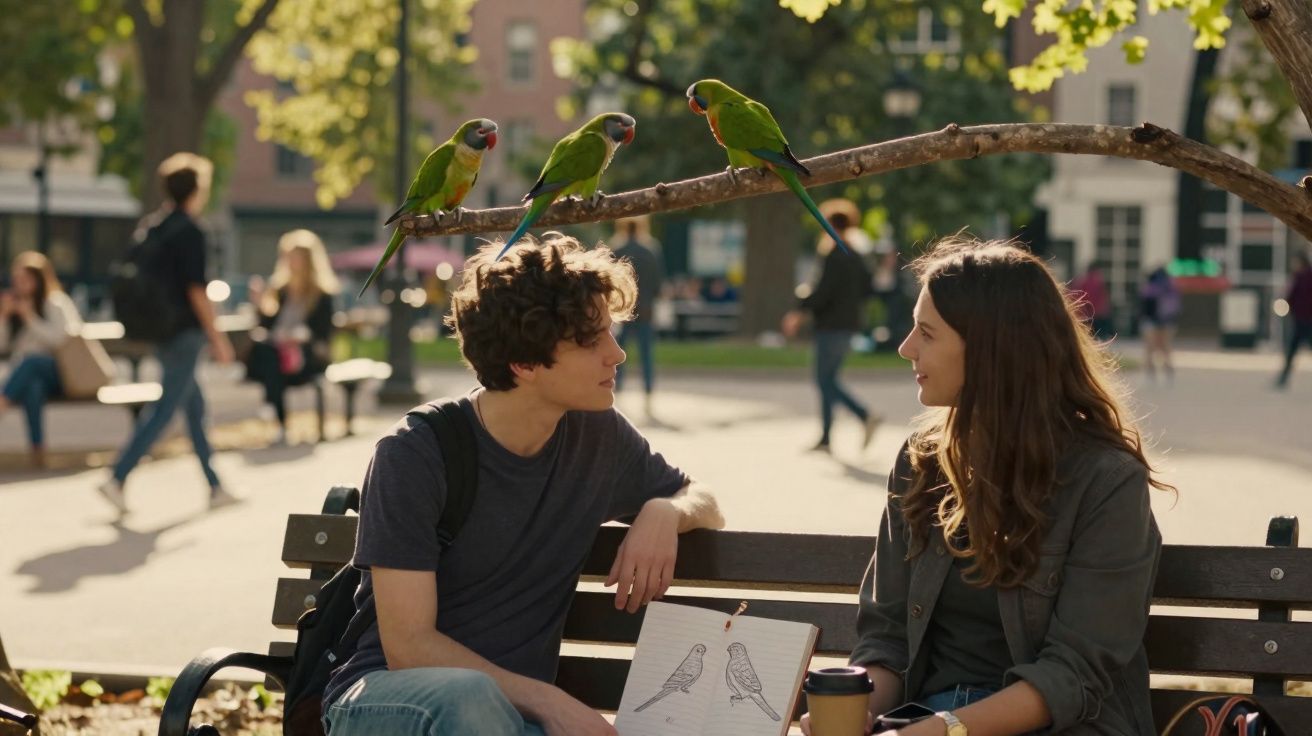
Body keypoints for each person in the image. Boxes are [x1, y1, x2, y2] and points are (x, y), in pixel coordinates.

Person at [320, 234, 723, 736]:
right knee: (469, 698)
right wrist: (548, 701)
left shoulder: (598, 435)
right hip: (388, 704)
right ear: (524, 363)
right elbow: (409, 648)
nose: (617, 354)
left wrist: (666, 511)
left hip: (509, 722)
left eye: (612, 333)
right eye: (591, 341)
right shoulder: (416, 453)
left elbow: (704, 500)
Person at [801, 239, 1169, 736]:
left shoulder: (1106, 481)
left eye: (927, 333)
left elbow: (1074, 675)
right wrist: (855, 713)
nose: (906, 348)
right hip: (923, 720)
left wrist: (944, 730)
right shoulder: (922, 462)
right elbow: (888, 637)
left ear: (991, 349)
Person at [97, 152, 237, 515]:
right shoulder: (191, 231)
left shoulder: (154, 226)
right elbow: (196, 289)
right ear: (198, 189)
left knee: (194, 408)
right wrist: (218, 338)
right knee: (165, 409)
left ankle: (215, 486)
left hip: (159, 331)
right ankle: (117, 476)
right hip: (184, 333)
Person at [782, 201, 882, 454]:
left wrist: (801, 306)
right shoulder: (856, 255)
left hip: (831, 325)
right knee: (827, 379)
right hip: (849, 324)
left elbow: (823, 292)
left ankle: (864, 415)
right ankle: (827, 437)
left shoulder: (834, 254)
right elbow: (868, 288)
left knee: (825, 380)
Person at [245, 229, 340, 444]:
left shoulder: (322, 294)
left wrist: (299, 336)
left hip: (306, 357)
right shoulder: (280, 290)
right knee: (267, 352)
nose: (291, 262)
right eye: (289, 257)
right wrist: (259, 305)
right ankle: (278, 419)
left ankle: (274, 410)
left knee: (271, 360)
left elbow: (323, 333)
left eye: (296, 258)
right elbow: (265, 326)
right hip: (276, 354)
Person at [0, 251, 83, 467]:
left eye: (25, 279)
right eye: (16, 279)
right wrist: (4, 317)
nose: (20, 285)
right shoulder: (15, 306)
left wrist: (30, 318)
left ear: (39, 279)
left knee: (32, 361)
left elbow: (59, 340)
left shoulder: (55, 303)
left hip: (61, 374)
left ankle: (2, 401)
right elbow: (2, 346)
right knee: (33, 388)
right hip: (29, 376)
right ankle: (38, 451)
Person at [612, 215, 664, 417]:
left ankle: (617, 391)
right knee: (646, 355)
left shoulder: (618, 250)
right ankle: (648, 394)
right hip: (646, 311)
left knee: (618, 355)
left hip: (623, 311)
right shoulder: (650, 251)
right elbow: (658, 282)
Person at [1275, 251, 1312, 389]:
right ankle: (1282, 379)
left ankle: (1283, 379)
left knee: (1291, 351)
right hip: (1303, 319)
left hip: (1302, 319)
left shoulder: (1299, 276)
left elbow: (1291, 295)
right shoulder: (1302, 276)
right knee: (1291, 351)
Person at [1138, 266, 1180, 383]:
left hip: (1150, 322)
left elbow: (1143, 307)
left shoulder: (1149, 289)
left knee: (1149, 349)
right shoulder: (1171, 288)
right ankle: (1168, 372)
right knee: (1166, 348)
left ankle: (1150, 374)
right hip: (1168, 323)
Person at [1069, 263, 1113, 339]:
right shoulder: (1099, 281)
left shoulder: (1084, 281)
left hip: (1088, 313)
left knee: (1090, 336)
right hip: (1099, 313)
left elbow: (1082, 297)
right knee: (1100, 336)